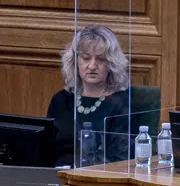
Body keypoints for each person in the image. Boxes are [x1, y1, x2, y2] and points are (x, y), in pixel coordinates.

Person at [47, 24, 133, 167]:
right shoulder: (61, 100)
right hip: (55, 178)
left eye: (100, 59)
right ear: (75, 62)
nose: (92, 66)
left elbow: (120, 160)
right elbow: (45, 149)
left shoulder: (120, 103)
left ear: (111, 64)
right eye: (86, 58)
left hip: (98, 179)